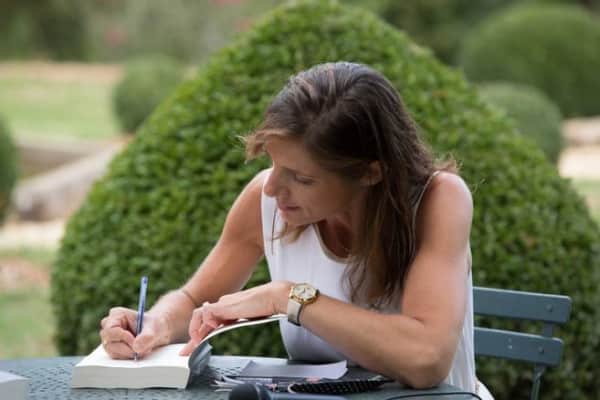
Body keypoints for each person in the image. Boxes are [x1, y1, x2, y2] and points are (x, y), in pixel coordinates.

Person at [99, 62, 493, 398]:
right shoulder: (266, 202)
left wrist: (289, 298)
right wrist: (157, 323)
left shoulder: (438, 201)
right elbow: (194, 299)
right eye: (273, 165)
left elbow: (426, 359)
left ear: (371, 172)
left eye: (302, 178)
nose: (272, 188)